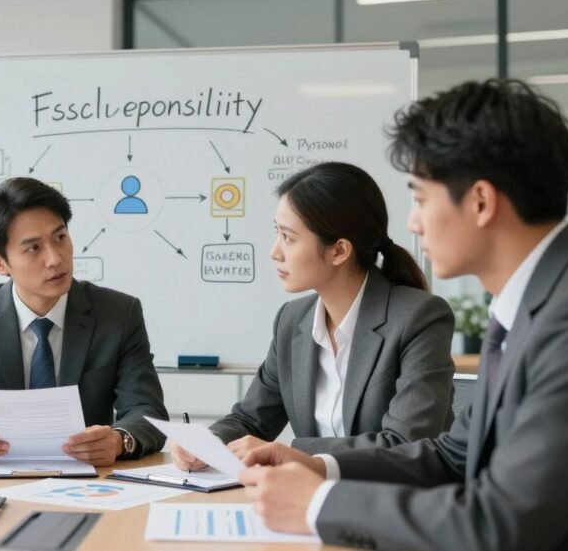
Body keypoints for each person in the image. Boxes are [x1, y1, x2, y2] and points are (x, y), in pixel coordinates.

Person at [238, 79, 568, 551]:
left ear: (481, 201)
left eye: (421, 198)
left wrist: (318, 505)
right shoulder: (534, 302)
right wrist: (317, 465)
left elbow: (501, 522)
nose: (412, 222)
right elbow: (451, 457)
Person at [172, 162, 455, 471]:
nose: (275, 251)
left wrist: (291, 452)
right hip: (311, 495)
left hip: (399, 495)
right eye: (277, 233)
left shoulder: (419, 318)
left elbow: (404, 443)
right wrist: (206, 444)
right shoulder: (292, 320)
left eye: (288, 237)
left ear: (339, 251)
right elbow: (250, 420)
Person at [0, 177, 168, 466]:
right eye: (33, 248)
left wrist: (120, 440)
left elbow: (147, 410)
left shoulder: (118, 314)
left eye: (60, 238)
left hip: (90, 479)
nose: (55, 259)